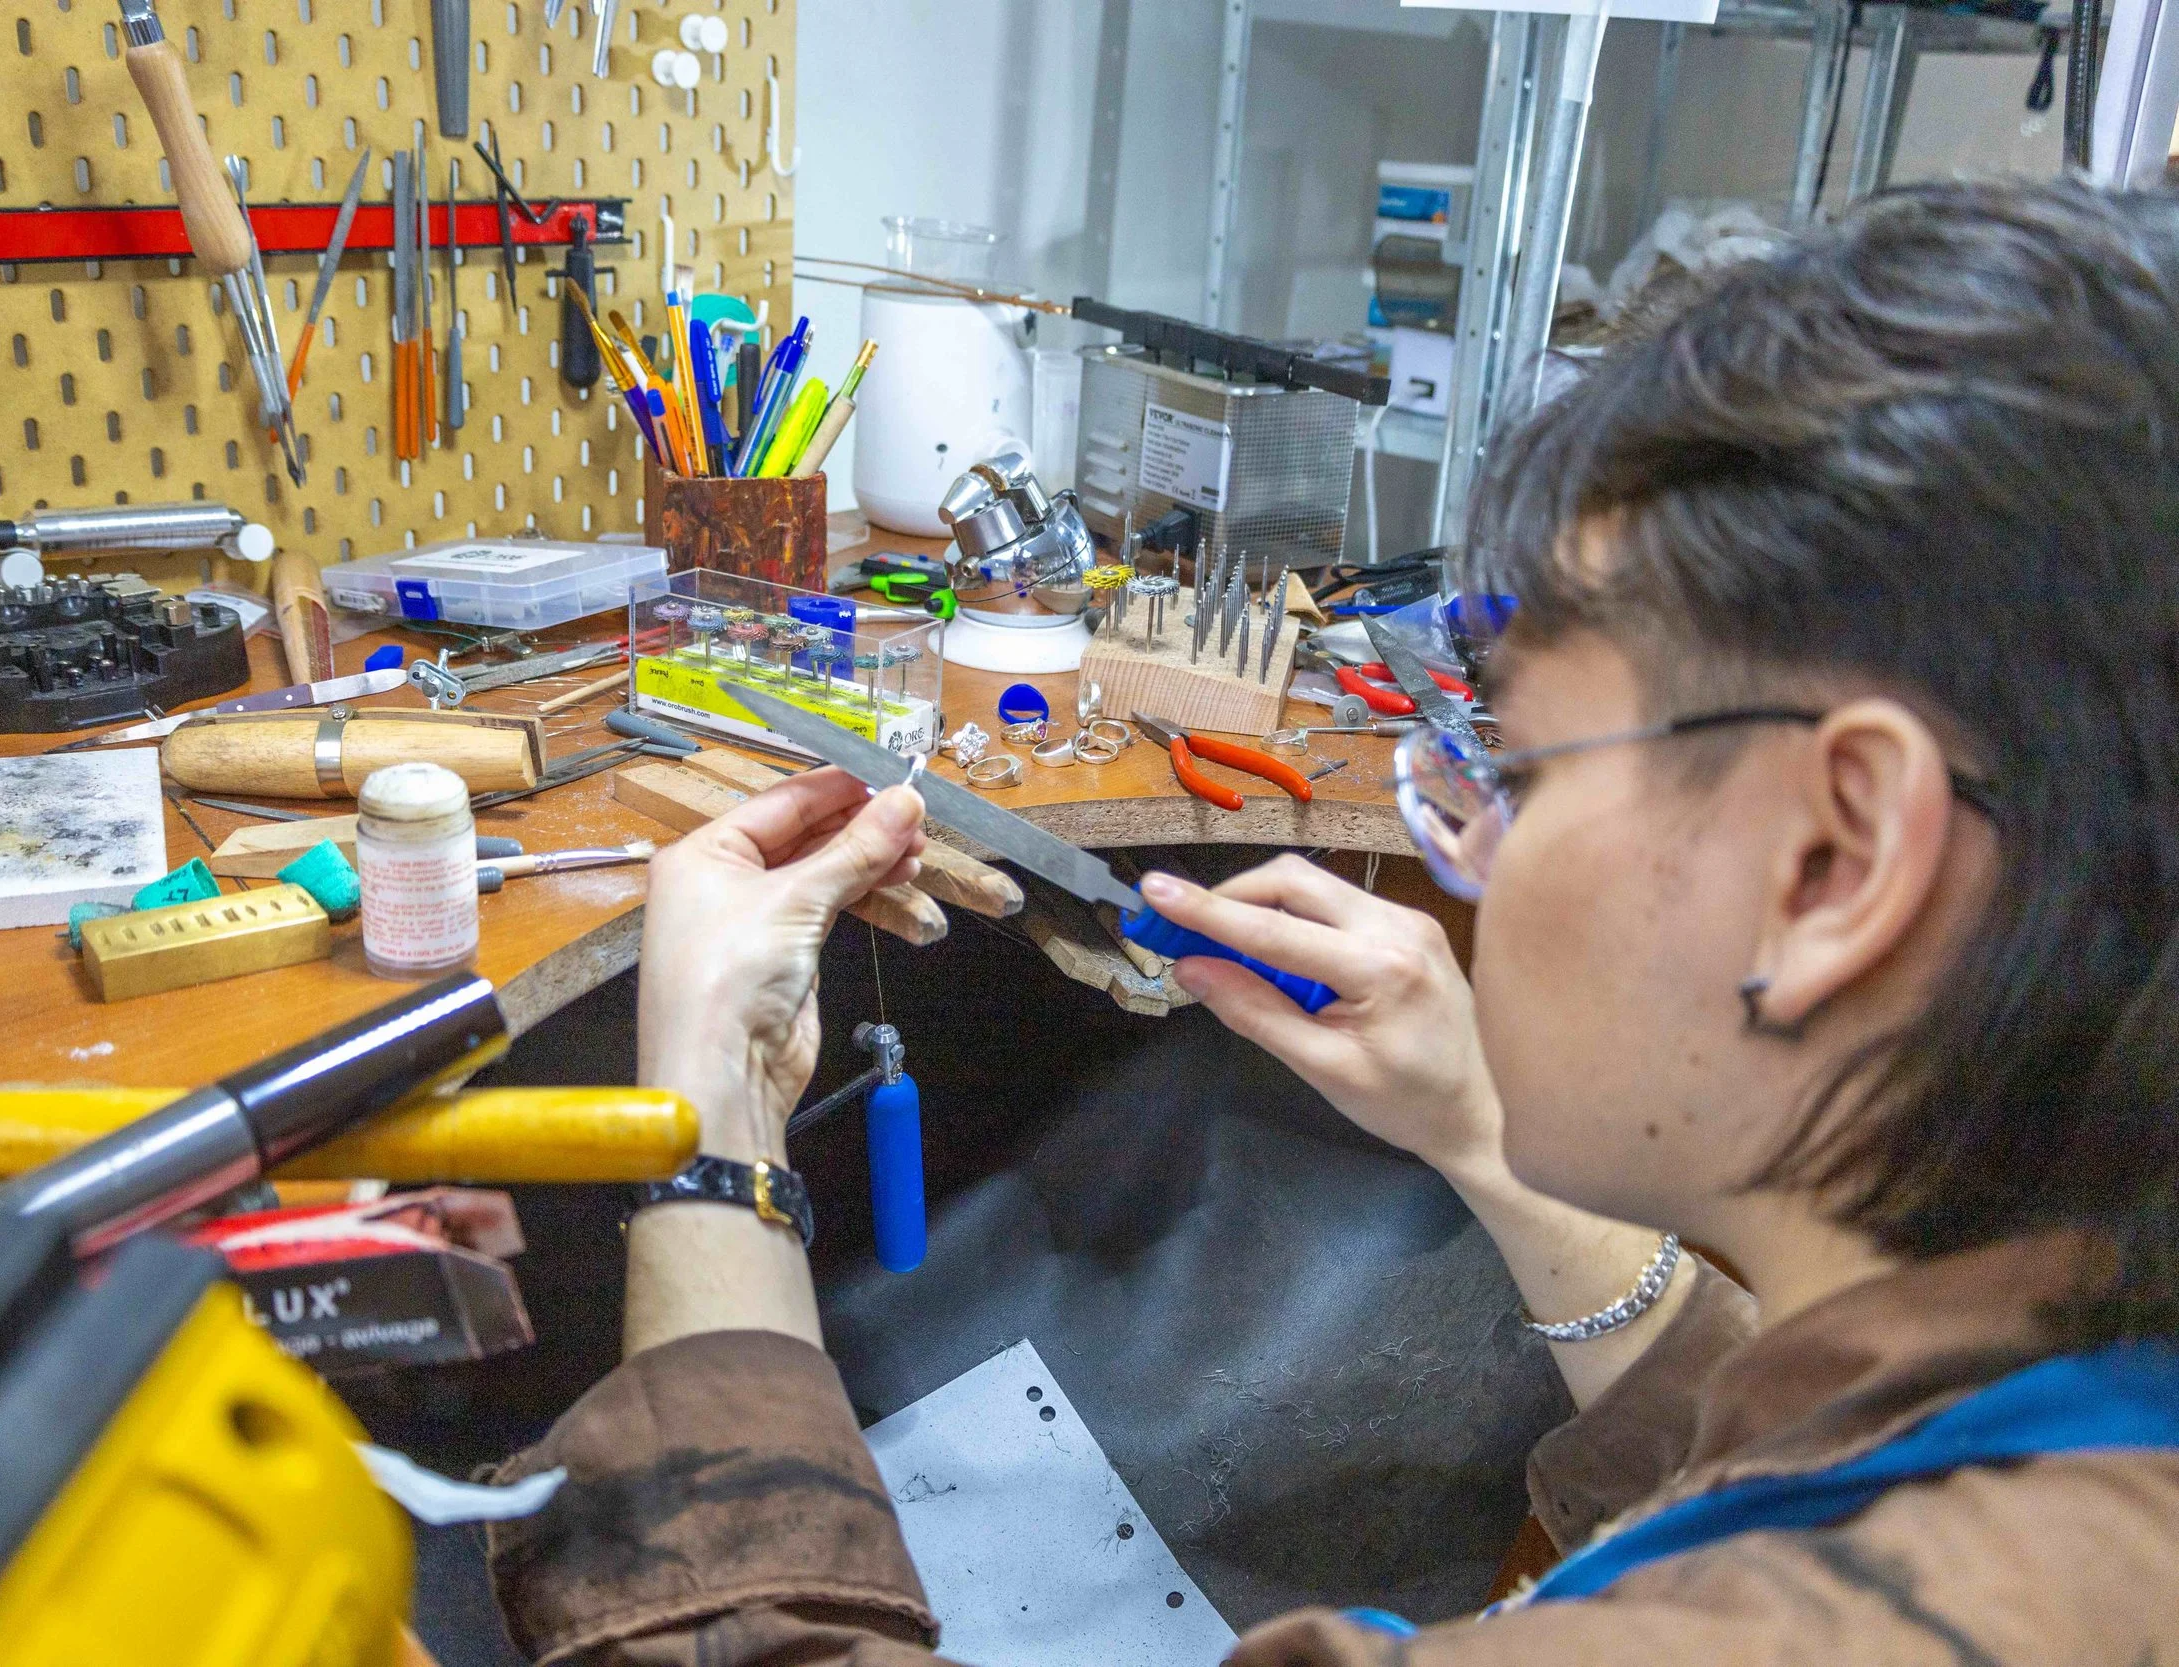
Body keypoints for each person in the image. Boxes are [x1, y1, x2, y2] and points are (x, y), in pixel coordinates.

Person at [481, 178, 2179, 1663]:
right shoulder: (2083, 1411)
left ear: (1833, 857)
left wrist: (711, 1127)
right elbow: (1811, 1459)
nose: (1473, 834)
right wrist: (1487, 1131)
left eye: (1515, 753)